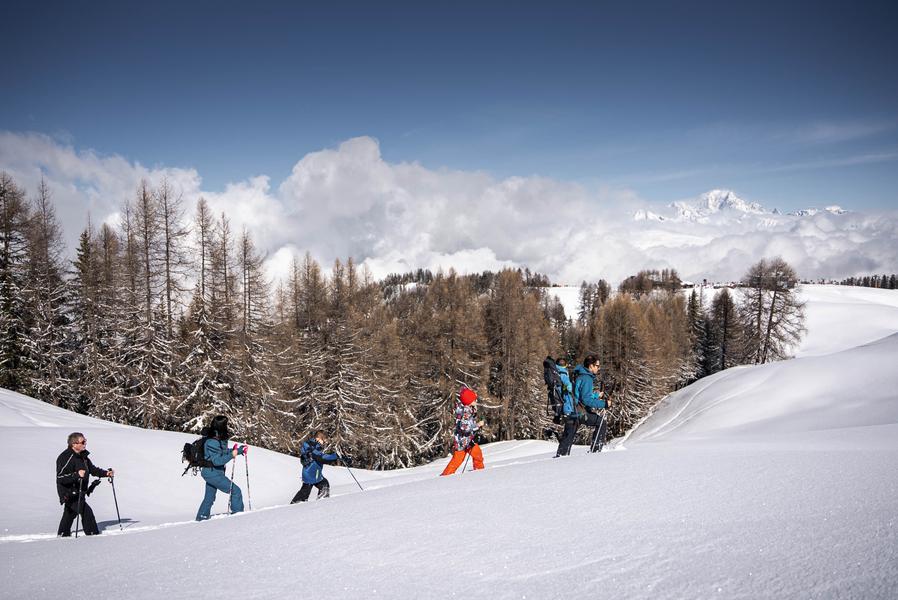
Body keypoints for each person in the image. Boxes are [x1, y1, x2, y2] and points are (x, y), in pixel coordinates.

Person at [56, 432, 114, 536]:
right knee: (86, 512)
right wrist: (76, 475)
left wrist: (106, 473)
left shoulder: (83, 456)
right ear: (74, 444)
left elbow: (92, 469)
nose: (85, 444)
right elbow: (60, 478)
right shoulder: (65, 457)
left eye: (85, 441)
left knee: (70, 513)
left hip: (79, 491)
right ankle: (92, 534)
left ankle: (63, 534)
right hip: (69, 492)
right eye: (83, 442)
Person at [556, 355, 610, 456]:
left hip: (571, 410)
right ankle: (596, 452)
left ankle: (560, 458)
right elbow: (586, 400)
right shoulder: (586, 378)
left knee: (567, 439)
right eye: (597, 366)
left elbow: (579, 394)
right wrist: (604, 404)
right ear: (590, 366)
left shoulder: (579, 374)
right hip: (578, 412)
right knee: (601, 422)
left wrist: (596, 395)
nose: (598, 368)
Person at [196, 415, 247, 521]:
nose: (227, 426)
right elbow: (217, 460)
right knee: (236, 491)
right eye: (226, 424)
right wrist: (232, 454)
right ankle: (239, 517)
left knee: (209, 498)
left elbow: (221, 452)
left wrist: (238, 451)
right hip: (212, 473)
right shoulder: (212, 441)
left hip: (212, 472)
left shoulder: (217, 437)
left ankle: (201, 518)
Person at [291, 430, 348, 503]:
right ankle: (295, 505)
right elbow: (321, 457)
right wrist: (335, 456)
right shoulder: (310, 445)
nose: (324, 442)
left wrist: (339, 456)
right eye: (323, 440)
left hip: (315, 472)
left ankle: (322, 503)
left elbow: (322, 457)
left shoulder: (316, 445)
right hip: (310, 472)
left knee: (324, 485)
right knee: (305, 491)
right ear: (318, 438)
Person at [440, 386, 485, 476]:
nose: (476, 401)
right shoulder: (466, 412)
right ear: (468, 401)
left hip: (468, 440)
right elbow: (464, 427)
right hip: (463, 442)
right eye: (474, 399)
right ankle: (445, 476)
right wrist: (477, 425)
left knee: (477, 455)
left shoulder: (468, 409)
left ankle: (480, 472)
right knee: (458, 460)